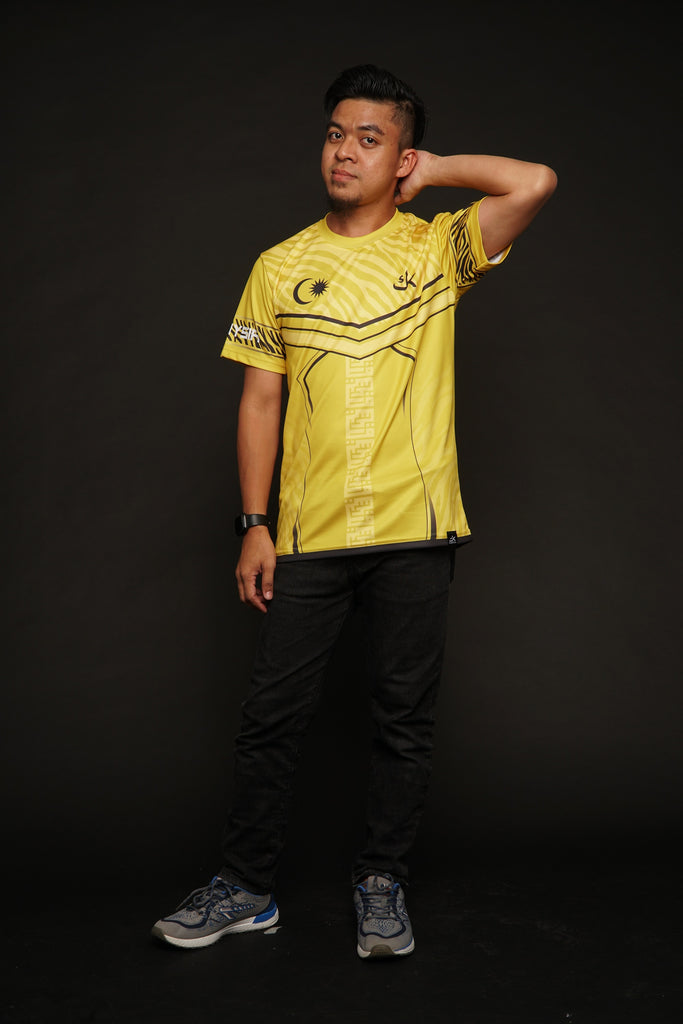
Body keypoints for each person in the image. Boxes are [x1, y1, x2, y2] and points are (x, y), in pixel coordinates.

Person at [152, 64, 556, 959]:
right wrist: (252, 524)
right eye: (336, 133)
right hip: (306, 535)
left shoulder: (438, 250)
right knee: (271, 717)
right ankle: (246, 888)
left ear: (401, 157)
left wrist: (436, 170)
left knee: (401, 720)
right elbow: (260, 401)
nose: (344, 151)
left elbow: (533, 182)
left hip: (416, 530)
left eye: (369, 139)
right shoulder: (278, 266)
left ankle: (381, 883)